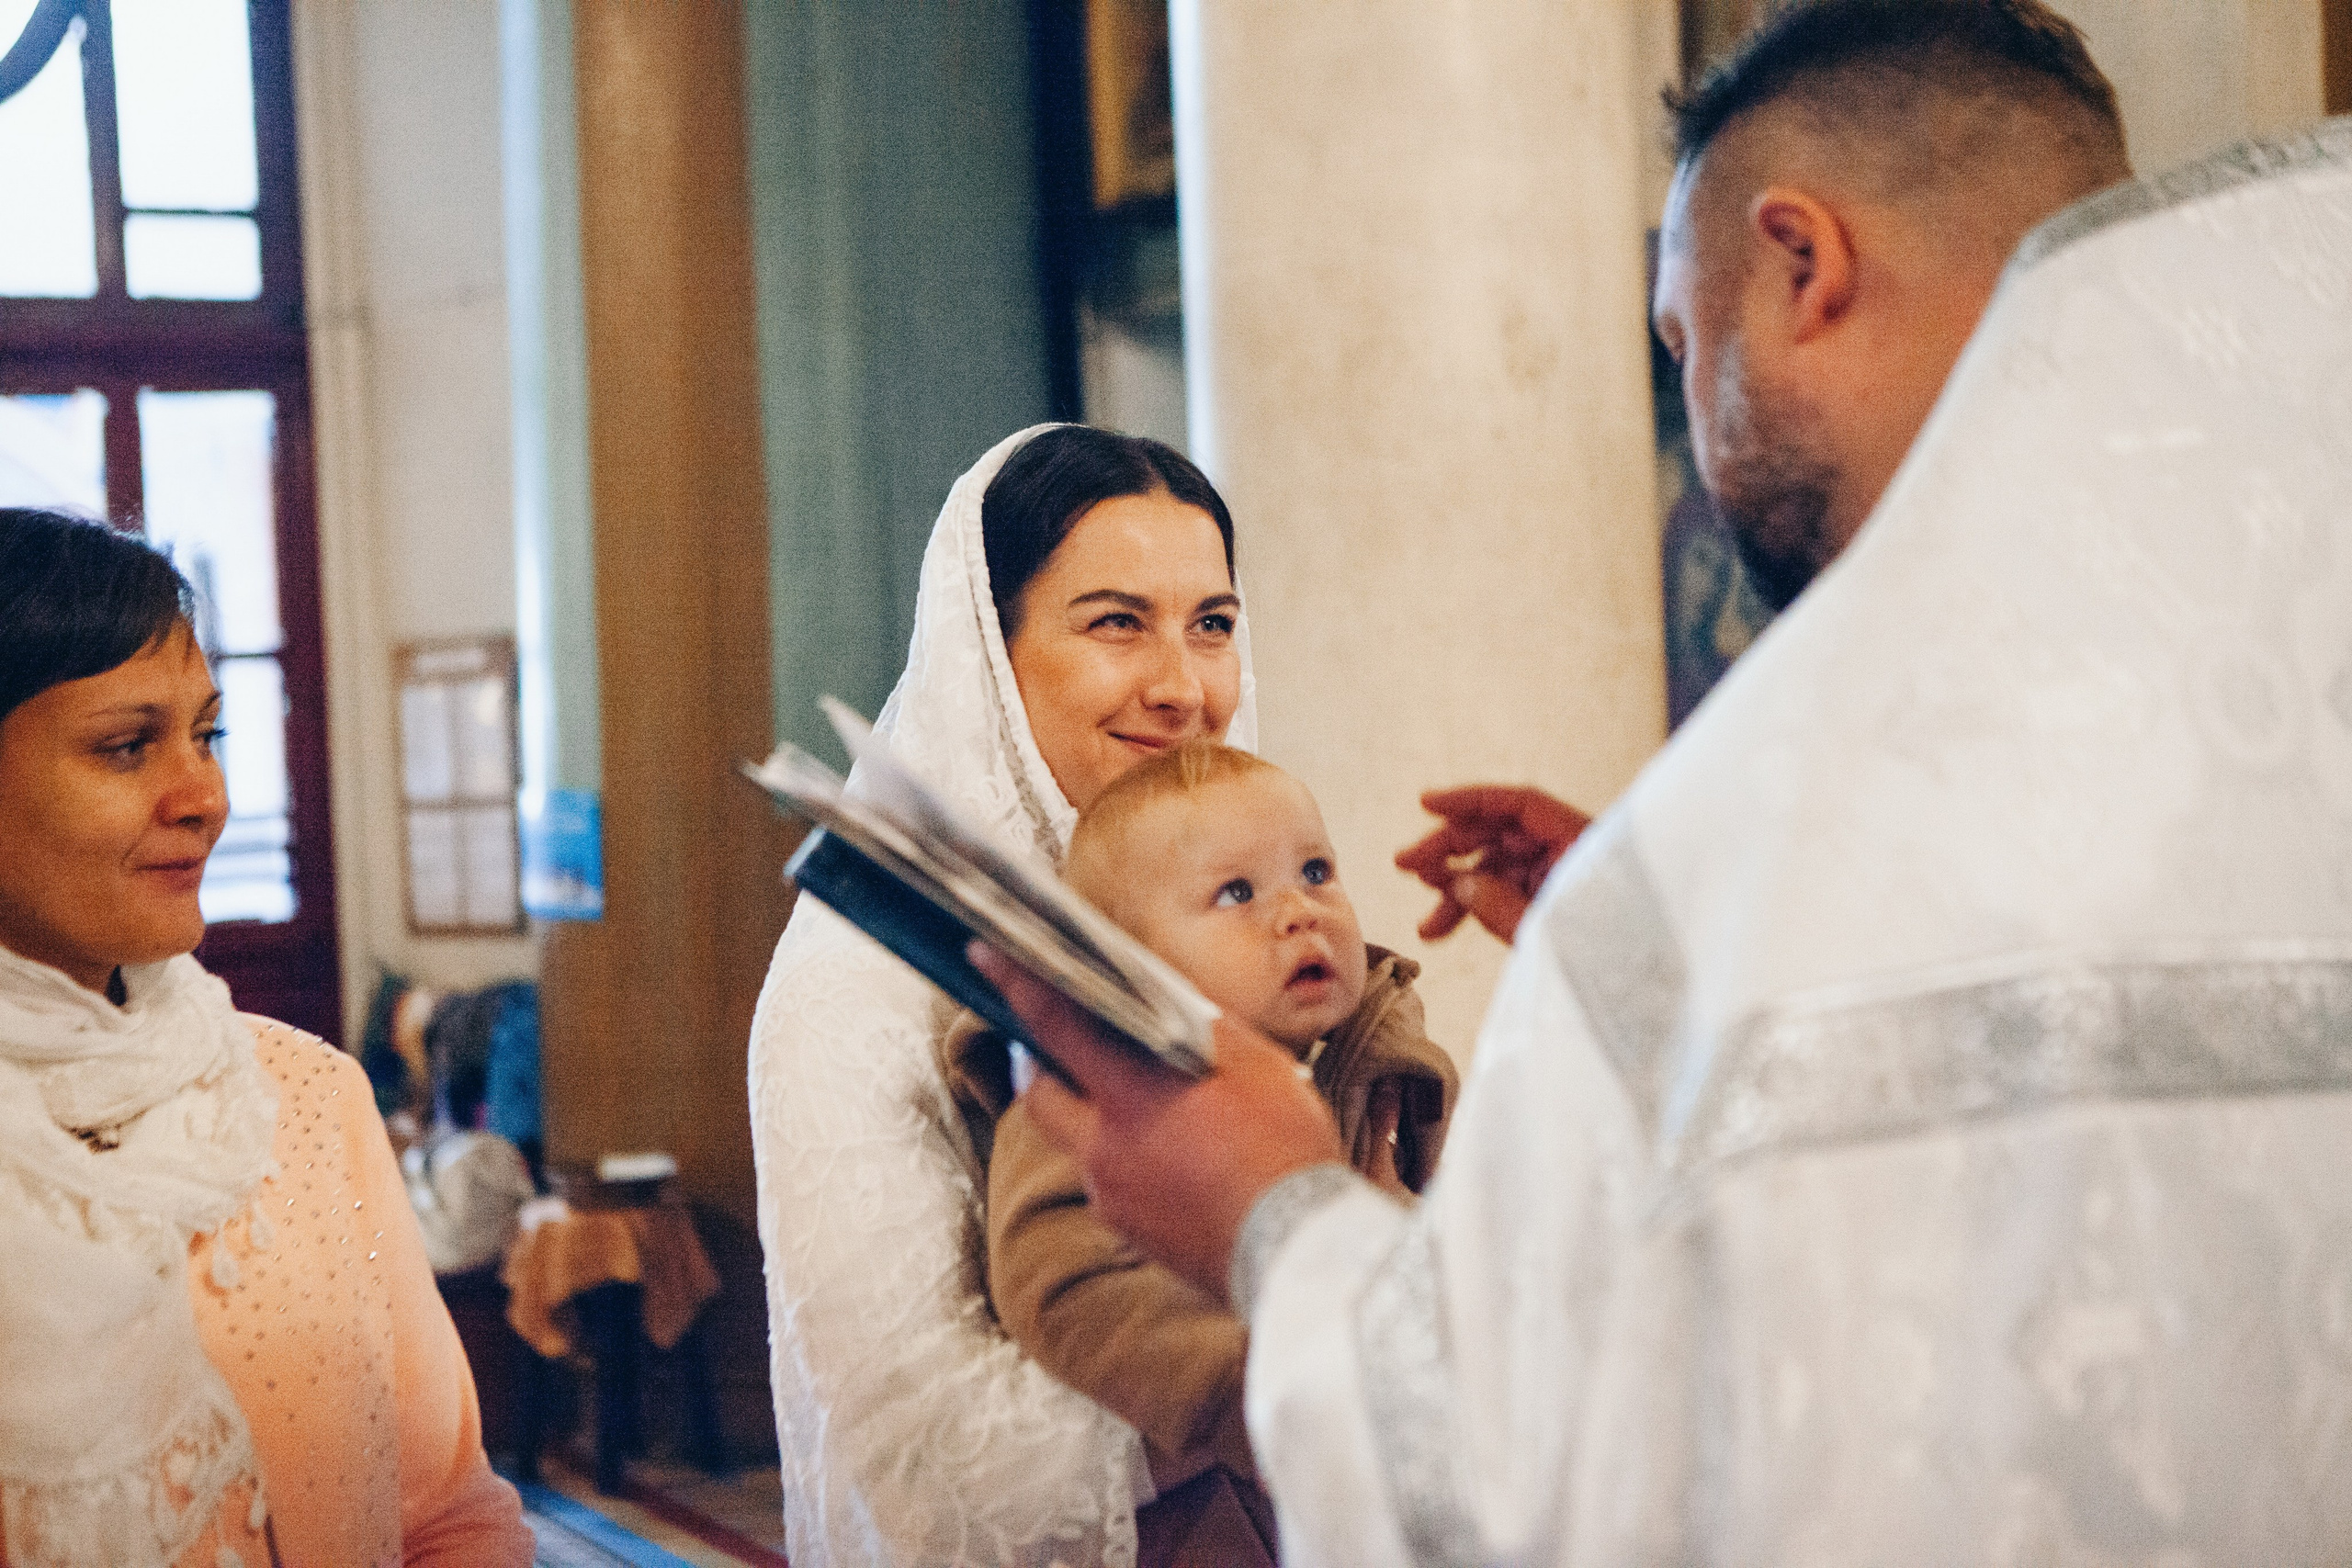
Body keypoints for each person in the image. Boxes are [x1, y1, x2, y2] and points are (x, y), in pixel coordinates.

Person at [987, 6, 2352, 1563]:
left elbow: (1520, 1480)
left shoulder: (1750, 846)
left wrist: (1271, 1214)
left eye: (1684, 341)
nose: (1695, 419)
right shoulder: (2282, 565)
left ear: (1799, 263)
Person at [747, 424, 1258, 1566]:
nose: (1182, 688)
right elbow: (933, 1463)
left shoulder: (1246, 923)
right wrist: (1297, 1383)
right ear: (991, 650)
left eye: (1212, 626)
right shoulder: (854, 986)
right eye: (1116, 623)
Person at [0, 507, 532, 1566]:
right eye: (125, 746)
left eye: (207, 734)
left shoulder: (302, 1100)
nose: (204, 796)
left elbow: (450, 1514)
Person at [942, 743, 1455, 1559]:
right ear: (1128, 964)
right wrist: (1267, 1382)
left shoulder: (1369, 1062)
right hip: (1200, 1524)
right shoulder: (1096, 1102)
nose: (1300, 911)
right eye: (1236, 891)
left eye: (1316, 871)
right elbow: (1063, 1283)